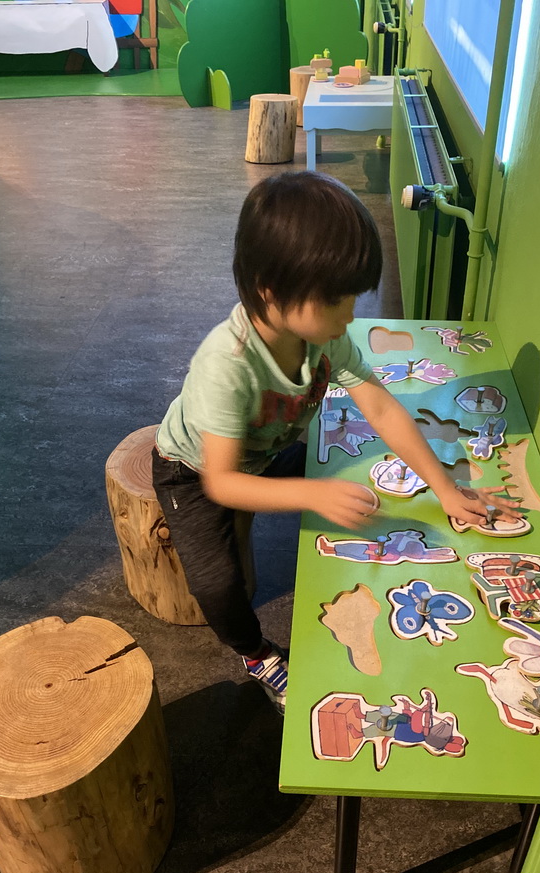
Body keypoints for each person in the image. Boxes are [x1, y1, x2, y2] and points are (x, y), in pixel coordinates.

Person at [152, 171, 519, 714]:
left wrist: (444, 488)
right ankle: (255, 655)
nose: (351, 315)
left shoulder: (325, 337)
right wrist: (312, 494)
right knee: (217, 585)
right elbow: (222, 481)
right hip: (194, 471)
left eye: (352, 297)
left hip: (266, 452)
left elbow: (379, 405)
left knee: (347, 479)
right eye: (335, 300)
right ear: (271, 291)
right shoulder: (225, 366)